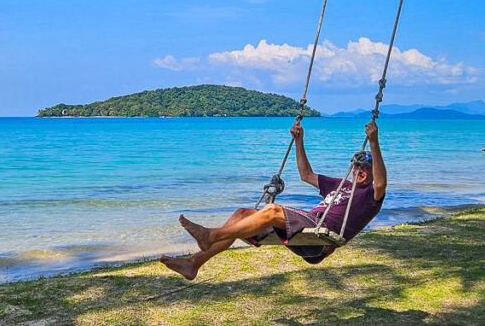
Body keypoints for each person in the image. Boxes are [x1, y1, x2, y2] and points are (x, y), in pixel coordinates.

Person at [159, 120, 387, 280]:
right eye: (356, 167)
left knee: (271, 210)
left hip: (321, 238)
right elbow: (306, 175)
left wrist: (374, 142)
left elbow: (380, 183)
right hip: (306, 230)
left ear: (373, 171)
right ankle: (193, 264)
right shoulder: (341, 184)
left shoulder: (371, 196)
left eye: (365, 168)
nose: (359, 171)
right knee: (242, 214)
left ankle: (211, 236)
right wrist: (299, 141)